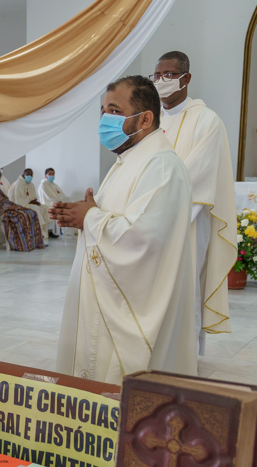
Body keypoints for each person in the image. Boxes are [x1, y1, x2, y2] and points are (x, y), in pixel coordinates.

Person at [51, 76, 197, 383]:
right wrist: (86, 214)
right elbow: (116, 221)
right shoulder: (128, 161)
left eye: (115, 111)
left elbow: (143, 239)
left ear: (145, 118)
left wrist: (89, 218)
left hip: (130, 313)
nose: (105, 119)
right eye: (103, 111)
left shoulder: (162, 166)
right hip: (102, 301)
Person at [154, 51, 237, 356]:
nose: (161, 81)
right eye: (157, 75)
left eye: (169, 75)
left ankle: (183, 355)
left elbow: (198, 173)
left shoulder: (207, 120)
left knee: (184, 286)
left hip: (187, 218)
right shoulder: (151, 119)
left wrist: (160, 209)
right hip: (147, 221)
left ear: (186, 79)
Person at [0, 171, 46, 252]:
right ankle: (21, 243)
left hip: (8, 208)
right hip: (1, 211)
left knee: (31, 212)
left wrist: (15, 206)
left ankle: (33, 243)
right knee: (21, 216)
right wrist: (8, 207)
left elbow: (6, 200)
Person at [8, 168, 51, 239]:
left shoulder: (31, 185)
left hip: (28, 203)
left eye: (31, 175)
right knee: (36, 208)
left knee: (44, 207)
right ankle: (39, 231)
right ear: (23, 174)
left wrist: (34, 201)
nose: (29, 176)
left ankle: (45, 232)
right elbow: (17, 200)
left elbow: (33, 197)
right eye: (28, 174)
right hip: (19, 205)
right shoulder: (18, 184)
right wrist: (30, 201)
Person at [37, 168, 67, 238]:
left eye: (53, 174)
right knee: (53, 209)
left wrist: (64, 201)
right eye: (50, 174)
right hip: (48, 204)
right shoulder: (43, 185)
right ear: (45, 175)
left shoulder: (55, 185)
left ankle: (62, 229)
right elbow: (48, 197)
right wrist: (57, 201)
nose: (52, 175)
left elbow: (62, 195)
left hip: (57, 202)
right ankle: (51, 231)